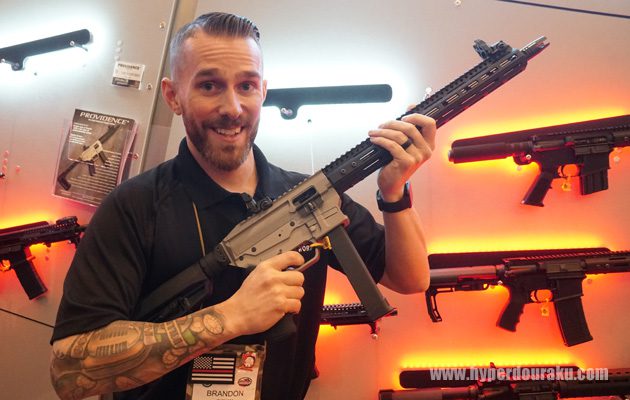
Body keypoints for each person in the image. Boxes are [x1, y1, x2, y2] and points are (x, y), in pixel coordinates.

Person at [49, 11, 435, 400]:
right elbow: (69, 371)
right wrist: (231, 317)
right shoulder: (134, 206)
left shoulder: (308, 196)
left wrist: (394, 193)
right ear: (173, 96)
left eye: (246, 85)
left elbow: (410, 279)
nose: (232, 107)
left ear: (263, 91)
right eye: (209, 86)